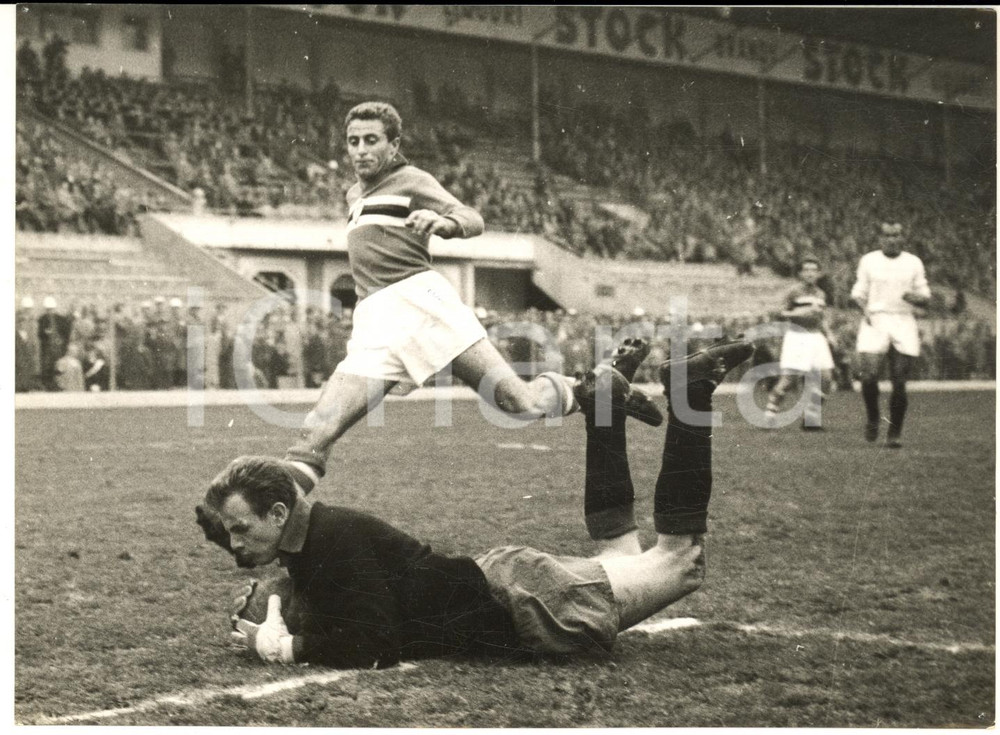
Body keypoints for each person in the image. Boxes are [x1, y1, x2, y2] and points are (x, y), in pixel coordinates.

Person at [197, 338, 754, 667]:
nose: (235, 545)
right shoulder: (308, 541)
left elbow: (375, 644)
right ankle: (605, 403)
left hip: (524, 604)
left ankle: (690, 394)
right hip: (505, 579)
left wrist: (286, 646)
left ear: (278, 514)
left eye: (242, 531)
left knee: (680, 563)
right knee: (619, 549)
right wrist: (264, 597)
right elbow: (326, 593)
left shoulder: (332, 541)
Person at [284, 102, 587, 485]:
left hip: (421, 302)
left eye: (371, 140)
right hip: (375, 319)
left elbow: (472, 218)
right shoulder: (352, 196)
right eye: (353, 141)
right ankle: (277, 526)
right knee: (317, 429)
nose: (360, 149)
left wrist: (442, 222)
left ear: (393, 145)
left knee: (518, 403)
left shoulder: (411, 179)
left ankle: (591, 389)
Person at [850, 222, 931, 448]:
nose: (892, 239)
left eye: (896, 235)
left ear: (902, 237)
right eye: (887, 235)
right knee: (869, 376)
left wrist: (914, 298)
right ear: (880, 237)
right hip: (875, 318)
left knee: (899, 380)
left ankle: (894, 433)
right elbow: (858, 292)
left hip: (903, 320)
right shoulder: (869, 260)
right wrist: (864, 308)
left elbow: (925, 295)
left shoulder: (913, 262)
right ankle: (873, 417)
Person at [763, 255, 836, 430]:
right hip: (797, 336)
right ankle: (770, 413)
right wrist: (801, 312)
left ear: (818, 273)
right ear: (801, 273)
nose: (810, 273)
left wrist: (829, 334)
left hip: (816, 336)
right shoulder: (793, 291)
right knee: (789, 379)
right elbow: (780, 313)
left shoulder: (820, 293)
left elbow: (821, 317)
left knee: (826, 378)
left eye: (814, 270)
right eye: (807, 270)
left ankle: (810, 418)